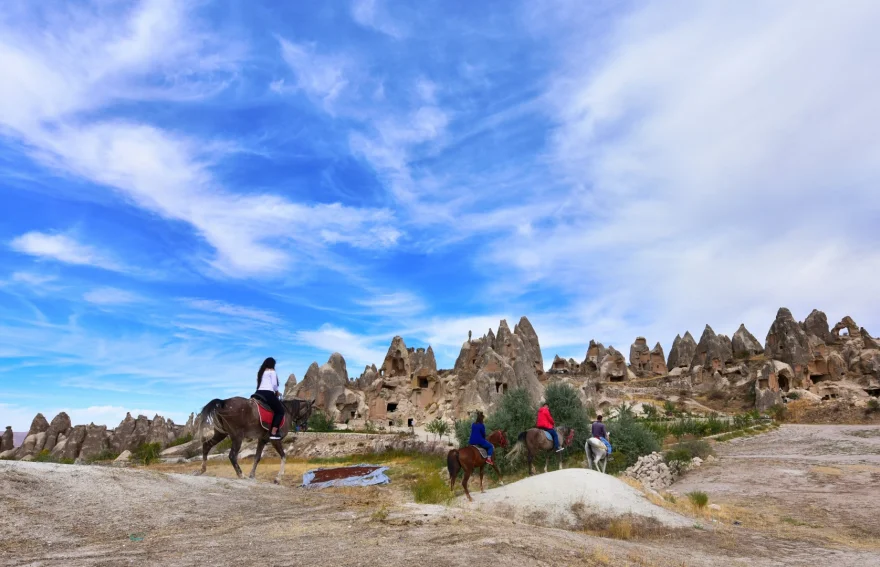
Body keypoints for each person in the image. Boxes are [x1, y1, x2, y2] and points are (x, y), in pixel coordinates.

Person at [253, 357, 285, 440]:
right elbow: (274, 385)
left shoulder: (261, 372)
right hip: (268, 393)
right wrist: (277, 392)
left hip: (258, 393)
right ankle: (273, 432)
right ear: (273, 364)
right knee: (280, 411)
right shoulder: (272, 371)